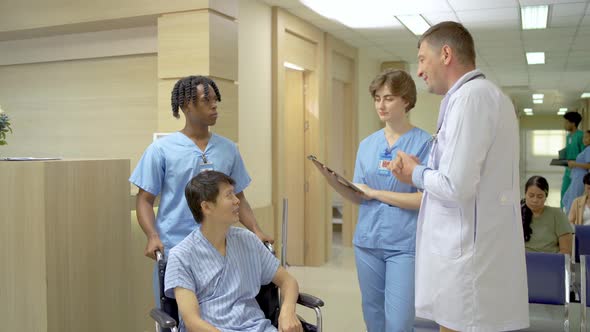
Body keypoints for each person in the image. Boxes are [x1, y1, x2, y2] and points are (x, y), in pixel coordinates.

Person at [390, 21, 529, 332]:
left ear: (447, 54)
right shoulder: (485, 96)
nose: (420, 70)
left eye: (423, 58)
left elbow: (456, 186)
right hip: (473, 255)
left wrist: (416, 173)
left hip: (468, 260)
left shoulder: (471, 99)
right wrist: (425, 169)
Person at [129, 75, 273, 303]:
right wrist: (152, 236)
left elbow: (240, 198)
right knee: (181, 316)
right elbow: (145, 200)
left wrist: (255, 229)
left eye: (216, 100)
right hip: (176, 248)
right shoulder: (161, 150)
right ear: (187, 105)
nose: (214, 105)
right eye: (207, 100)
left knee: (222, 309)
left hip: (221, 247)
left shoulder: (228, 149)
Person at [313, 69, 430, 331]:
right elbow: (360, 196)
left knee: (399, 322)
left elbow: (424, 200)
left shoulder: (424, 143)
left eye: (388, 98)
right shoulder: (367, 145)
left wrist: (376, 193)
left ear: (407, 101)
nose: (381, 104)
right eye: (377, 98)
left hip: (404, 244)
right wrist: (334, 181)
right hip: (368, 241)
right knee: (373, 316)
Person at [165, 171, 302, 332]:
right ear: (206, 207)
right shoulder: (181, 256)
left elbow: (288, 281)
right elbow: (192, 321)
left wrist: (287, 312)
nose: (237, 201)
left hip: (256, 327)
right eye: (229, 195)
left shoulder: (248, 240)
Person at [522, 175, 573, 254]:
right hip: (522, 264)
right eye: (531, 196)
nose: (535, 200)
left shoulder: (557, 215)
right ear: (525, 194)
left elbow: (566, 251)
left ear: (546, 196)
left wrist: (549, 262)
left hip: (550, 262)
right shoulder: (517, 215)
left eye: (540, 196)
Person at [561, 111, 585, 208]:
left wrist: (576, 163)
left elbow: (585, 154)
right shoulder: (568, 136)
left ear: (573, 123)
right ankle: (563, 217)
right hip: (568, 169)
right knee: (564, 195)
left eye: (566, 122)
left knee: (574, 196)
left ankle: (572, 218)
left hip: (578, 170)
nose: (564, 125)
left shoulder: (581, 135)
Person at [563, 130, 590, 214]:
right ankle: (570, 220)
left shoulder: (589, 149)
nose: (584, 140)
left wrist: (574, 164)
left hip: (580, 178)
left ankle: (571, 222)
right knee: (567, 198)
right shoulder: (586, 149)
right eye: (583, 138)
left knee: (573, 200)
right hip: (576, 177)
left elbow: (589, 166)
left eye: (586, 137)